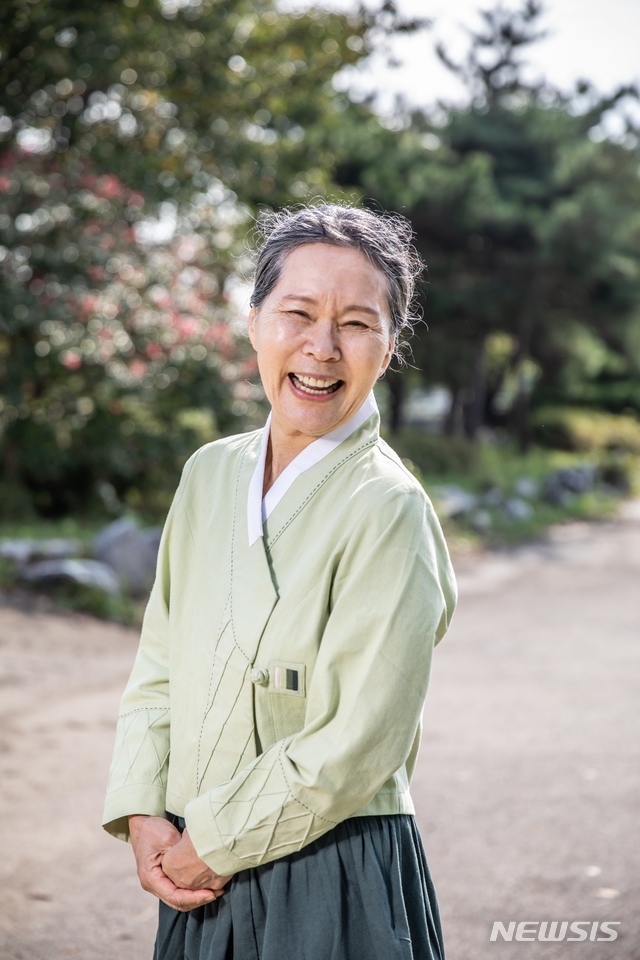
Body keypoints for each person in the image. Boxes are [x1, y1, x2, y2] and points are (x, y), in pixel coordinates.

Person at [102, 203, 457, 960]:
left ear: (390, 344)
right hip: (196, 867)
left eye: (357, 323)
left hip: (328, 871)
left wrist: (216, 842)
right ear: (256, 318)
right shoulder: (209, 474)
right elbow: (159, 664)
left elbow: (359, 741)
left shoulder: (388, 509)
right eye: (297, 313)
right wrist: (143, 812)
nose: (321, 348)